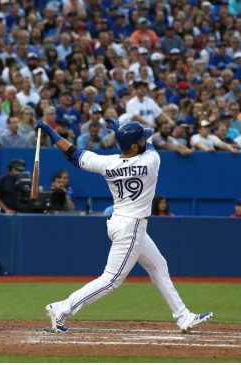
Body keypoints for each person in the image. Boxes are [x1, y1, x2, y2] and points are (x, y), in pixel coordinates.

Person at [35, 117, 212, 334]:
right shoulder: (150, 161)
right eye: (140, 139)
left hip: (121, 221)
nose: (145, 140)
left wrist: (50, 131)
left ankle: (184, 316)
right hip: (131, 227)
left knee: (158, 266)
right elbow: (149, 145)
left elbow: (73, 154)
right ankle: (62, 308)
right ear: (135, 145)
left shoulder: (108, 163)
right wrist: (120, 129)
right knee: (110, 280)